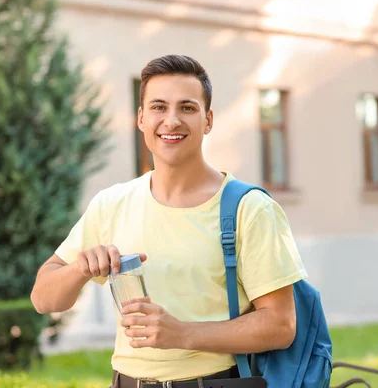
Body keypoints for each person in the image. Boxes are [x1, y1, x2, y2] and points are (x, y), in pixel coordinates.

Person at [30, 54, 308, 386]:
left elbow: (280, 325)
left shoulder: (249, 209)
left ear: (208, 120)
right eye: (159, 107)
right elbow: (44, 299)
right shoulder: (112, 203)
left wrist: (182, 333)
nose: (171, 121)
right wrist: (79, 269)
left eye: (187, 108)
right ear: (141, 118)